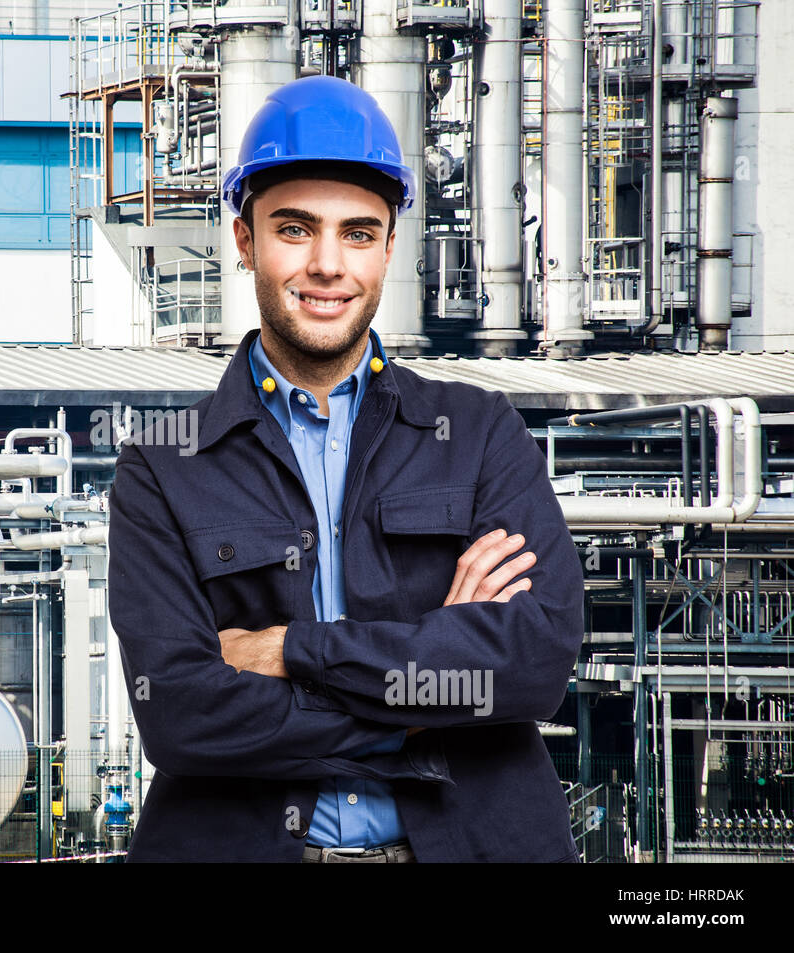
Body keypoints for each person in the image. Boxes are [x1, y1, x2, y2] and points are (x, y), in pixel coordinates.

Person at [106, 75, 585, 862]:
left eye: (358, 233)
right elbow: (184, 714)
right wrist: (429, 695)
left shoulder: (477, 432)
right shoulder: (164, 462)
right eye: (296, 229)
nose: (329, 265)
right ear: (244, 239)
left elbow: (531, 667)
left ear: (389, 247)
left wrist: (292, 650)